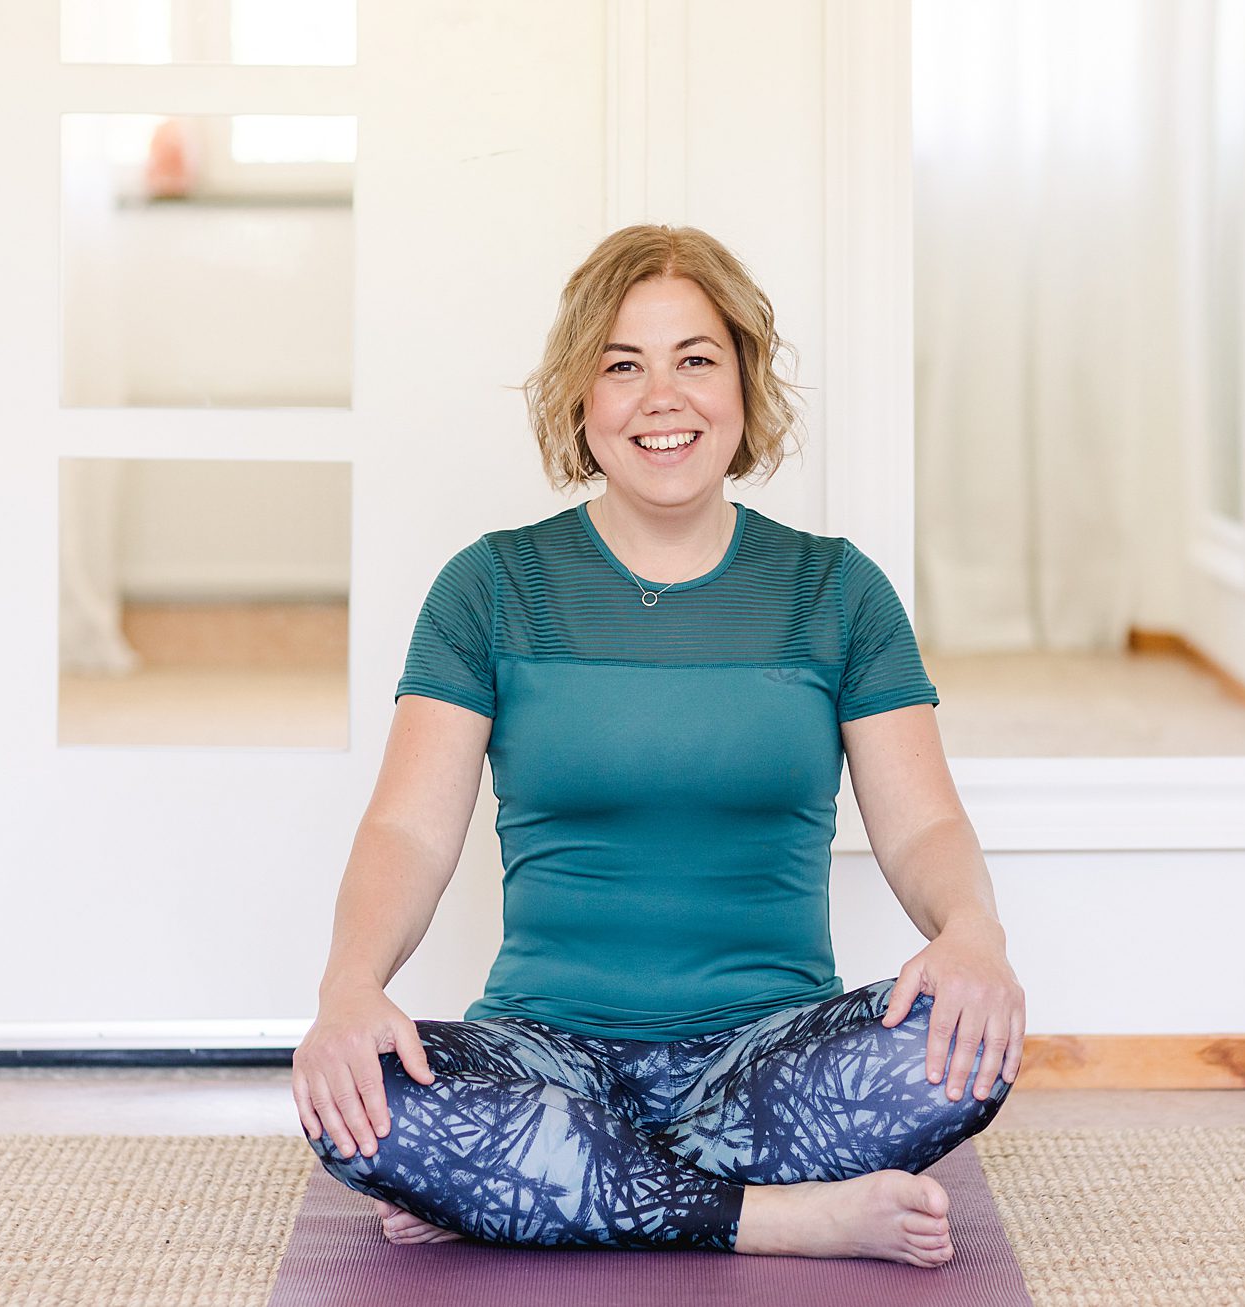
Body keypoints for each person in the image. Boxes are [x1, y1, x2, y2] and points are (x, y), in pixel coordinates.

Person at [291, 224, 1026, 1268]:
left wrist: (971, 933)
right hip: (542, 1051)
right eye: (622, 365)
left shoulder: (836, 589)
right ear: (580, 398)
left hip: (768, 1061)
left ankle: (546, 1186)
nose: (661, 396)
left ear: (743, 381)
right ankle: (773, 1213)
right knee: (361, 1103)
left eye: (695, 359)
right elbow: (409, 827)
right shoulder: (490, 585)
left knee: (957, 1051)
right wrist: (349, 986)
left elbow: (924, 824)